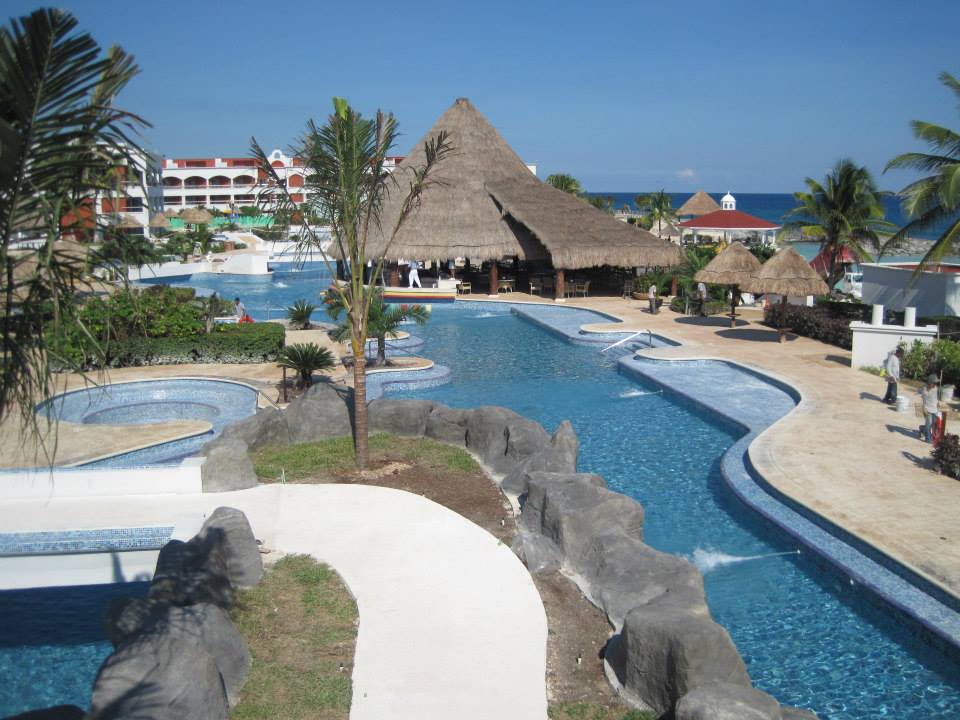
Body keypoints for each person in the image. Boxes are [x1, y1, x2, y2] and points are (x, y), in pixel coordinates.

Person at [919, 374, 940, 443]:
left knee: (933, 423)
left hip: (934, 409)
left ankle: (922, 428)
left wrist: (938, 402)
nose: (935, 384)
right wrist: (924, 408)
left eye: (936, 383)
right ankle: (928, 438)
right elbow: (924, 399)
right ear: (930, 382)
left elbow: (936, 397)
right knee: (929, 424)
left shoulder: (936, 388)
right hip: (927, 409)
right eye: (934, 383)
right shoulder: (924, 389)